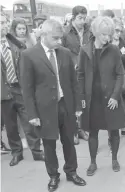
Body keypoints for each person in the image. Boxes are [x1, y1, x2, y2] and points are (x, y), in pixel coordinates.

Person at [20, 19, 86, 191]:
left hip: (66, 105)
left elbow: (74, 81)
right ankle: (53, 176)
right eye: (56, 38)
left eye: (60, 38)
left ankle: (71, 172)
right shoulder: (29, 55)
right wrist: (32, 115)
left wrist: (78, 105)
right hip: (44, 110)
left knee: (69, 142)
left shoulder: (64, 53)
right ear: (44, 35)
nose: (59, 41)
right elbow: (26, 89)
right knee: (49, 144)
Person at [77, 16, 125, 175]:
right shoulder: (85, 50)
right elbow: (81, 75)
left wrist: (115, 95)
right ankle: (92, 162)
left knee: (114, 130)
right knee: (93, 132)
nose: (107, 38)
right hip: (93, 99)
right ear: (96, 32)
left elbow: (120, 74)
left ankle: (115, 159)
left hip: (111, 97)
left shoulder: (114, 50)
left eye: (109, 34)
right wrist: (82, 98)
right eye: (104, 34)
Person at [1, 14, 44, 166]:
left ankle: (37, 151)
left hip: (20, 89)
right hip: (3, 93)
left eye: (6, 22)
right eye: (1, 23)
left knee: (29, 121)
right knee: (11, 126)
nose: (4, 26)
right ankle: (17, 153)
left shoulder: (16, 44)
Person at [62, 5, 91, 144]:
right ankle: (73, 130)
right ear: (73, 17)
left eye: (84, 18)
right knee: (71, 102)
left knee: (83, 100)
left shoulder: (88, 31)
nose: (82, 21)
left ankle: (81, 128)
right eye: (80, 18)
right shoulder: (65, 33)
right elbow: (60, 52)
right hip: (70, 71)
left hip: (85, 71)